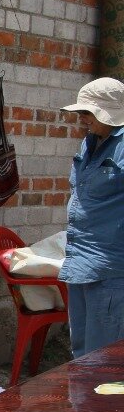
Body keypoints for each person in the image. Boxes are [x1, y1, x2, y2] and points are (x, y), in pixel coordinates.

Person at [59, 77, 124, 357]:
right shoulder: (90, 143)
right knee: (82, 355)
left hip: (111, 272)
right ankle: (82, 403)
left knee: (104, 362)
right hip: (80, 265)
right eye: (81, 113)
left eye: (88, 113)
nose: (83, 119)